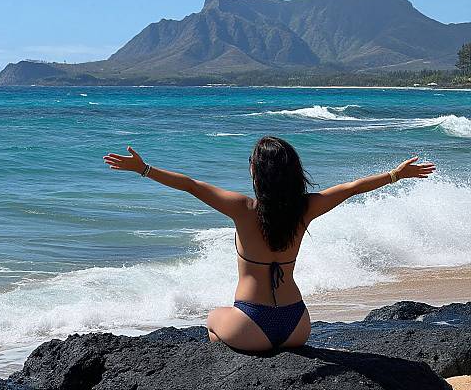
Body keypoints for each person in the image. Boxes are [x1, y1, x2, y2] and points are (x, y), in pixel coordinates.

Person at [103, 136, 435, 351]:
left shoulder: (243, 209)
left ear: (256, 173)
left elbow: (192, 185)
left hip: (251, 322)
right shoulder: (306, 207)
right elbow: (351, 188)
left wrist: (143, 169)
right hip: (298, 324)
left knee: (213, 321)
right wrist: (395, 175)